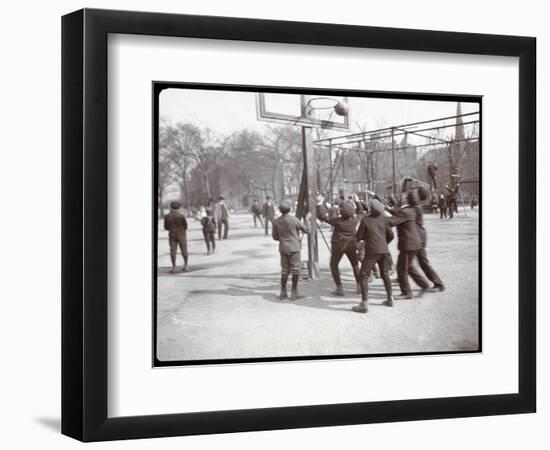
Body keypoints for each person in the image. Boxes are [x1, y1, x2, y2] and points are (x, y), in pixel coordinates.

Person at [352, 199, 394, 313]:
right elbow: (391, 235)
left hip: (372, 250)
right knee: (385, 274)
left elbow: (359, 236)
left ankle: (364, 303)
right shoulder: (384, 219)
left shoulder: (366, 220)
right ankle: (390, 298)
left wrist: (363, 238)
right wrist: (384, 243)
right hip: (384, 250)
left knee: (363, 275)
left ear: (370, 209)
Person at [388, 190, 430, 299]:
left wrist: (379, 217)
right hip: (415, 243)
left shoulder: (405, 211)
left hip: (408, 243)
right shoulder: (413, 210)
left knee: (401, 268)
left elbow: (392, 222)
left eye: (405, 198)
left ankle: (406, 292)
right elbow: (397, 213)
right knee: (409, 266)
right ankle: (424, 284)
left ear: (408, 199)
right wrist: (386, 208)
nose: (403, 199)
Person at [318, 201, 360, 296]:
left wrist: (320, 204)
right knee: (355, 265)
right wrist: (357, 201)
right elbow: (361, 211)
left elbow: (323, 216)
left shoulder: (337, 221)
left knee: (334, 265)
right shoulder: (355, 220)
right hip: (351, 245)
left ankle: (339, 288)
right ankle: (359, 286)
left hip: (338, 246)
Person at [272, 201, 309, 300]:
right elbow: (307, 230)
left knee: (284, 270)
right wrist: (307, 220)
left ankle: (283, 292)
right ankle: (294, 292)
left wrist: (283, 239)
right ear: (290, 209)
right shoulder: (295, 220)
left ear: (280, 210)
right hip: (294, 247)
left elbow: (275, 237)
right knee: (295, 269)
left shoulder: (276, 222)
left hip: (283, 248)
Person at [413, 199, 445, 292]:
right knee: (410, 263)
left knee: (422, 263)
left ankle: (438, 284)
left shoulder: (415, 209)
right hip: (419, 237)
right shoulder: (416, 208)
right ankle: (402, 279)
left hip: (419, 238)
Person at [163, 201, 189, 273]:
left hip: (172, 235)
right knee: (184, 250)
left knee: (173, 251)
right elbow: (186, 226)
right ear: (178, 208)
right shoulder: (181, 216)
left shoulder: (167, 216)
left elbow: (166, 227)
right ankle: (186, 265)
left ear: (171, 207)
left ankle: (174, 267)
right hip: (181, 234)